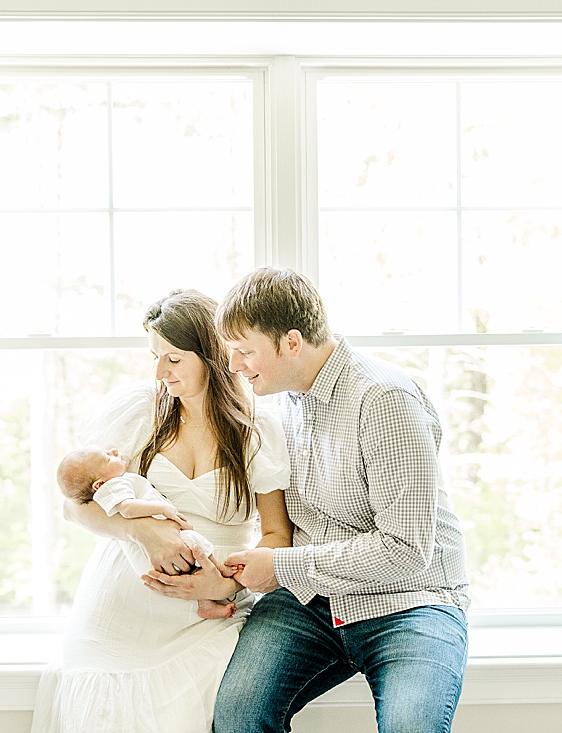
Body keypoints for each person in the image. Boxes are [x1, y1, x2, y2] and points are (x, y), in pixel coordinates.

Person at [206, 267, 471, 732]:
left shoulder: (384, 398)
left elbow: (406, 550)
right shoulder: (276, 407)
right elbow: (277, 529)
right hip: (309, 603)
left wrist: (282, 567)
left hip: (410, 602)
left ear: (292, 343)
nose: (234, 366)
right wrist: (235, 583)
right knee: (237, 718)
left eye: (245, 351)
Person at [31, 289, 294, 733]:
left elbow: (276, 537)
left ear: (212, 355)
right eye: (155, 357)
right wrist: (142, 534)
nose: (159, 372)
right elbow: (74, 509)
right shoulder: (139, 413)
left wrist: (224, 584)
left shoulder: (257, 428)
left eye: (173, 359)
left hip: (207, 616)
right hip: (117, 619)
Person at [54, 445, 240, 619]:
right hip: (156, 552)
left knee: (192, 569)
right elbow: (128, 509)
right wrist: (161, 509)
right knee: (194, 542)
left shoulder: (111, 485)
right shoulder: (114, 486)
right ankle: (219, 568)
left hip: (154, 557)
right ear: (99, 484)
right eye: (108, 458)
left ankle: (205, 604)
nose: (114, 451)